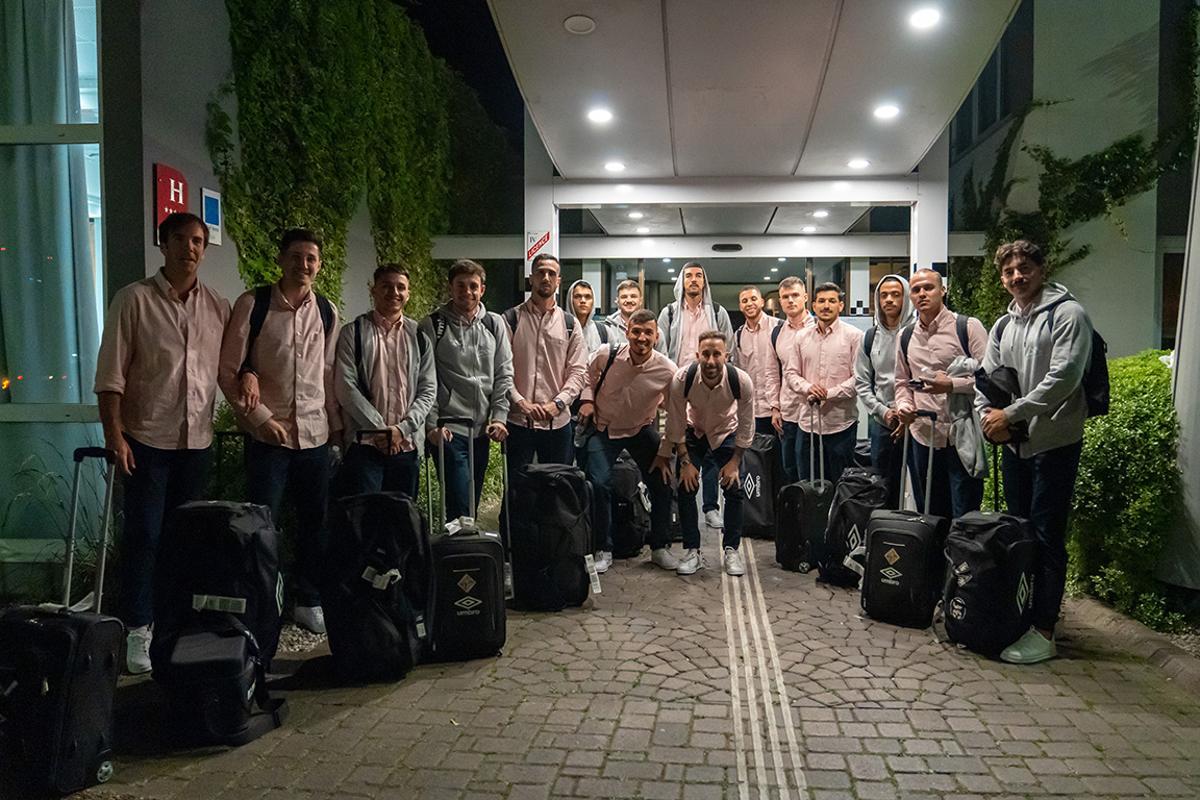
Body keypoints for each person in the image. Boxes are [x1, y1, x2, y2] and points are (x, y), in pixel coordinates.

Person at [95, 212, 230, 673]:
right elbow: (110, 377)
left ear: (204, 249)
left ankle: (175, 622)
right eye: (180, 239)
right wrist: (115, 436)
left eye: (197, 241)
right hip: (146, 440)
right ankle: (137, 626)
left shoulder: (218, 306)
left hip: (197, 442)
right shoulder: (132, 300)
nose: (189, 248)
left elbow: (229, 369)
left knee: (185, 539)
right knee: (144, 536)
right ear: (163, 244)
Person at [976, 240, 1093, 665]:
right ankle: (1019, 611)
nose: (1016, 277)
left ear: (1042, 269)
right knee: (1020, 532)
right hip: (1015, 444)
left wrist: (1011, 413)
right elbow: (986, 381)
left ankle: (1044, 628)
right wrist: (991, 417)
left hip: (1054, 443)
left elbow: (1064, 378)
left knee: (1047, 536)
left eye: (1024, 268)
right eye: (1009, 272)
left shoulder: (1068, 315)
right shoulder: (1004, 325)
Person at [218, 228, 339, 636]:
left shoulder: (327, 310)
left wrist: (335, 427)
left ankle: (308, 599)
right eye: (296, 256)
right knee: (261, 525)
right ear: (281, 259)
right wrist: (260, 420)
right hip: (270, 439)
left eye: (311, 259)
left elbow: (327, 373)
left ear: (319, 265)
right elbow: (229, 370)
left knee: (314, 523)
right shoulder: (253, 305)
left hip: (315, 437)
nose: (303, 265)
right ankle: (262, 602)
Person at [578, 309, 678, 574]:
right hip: (604, 429)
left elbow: (676, 413)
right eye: (636, 331)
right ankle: (603, 549)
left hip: (640, 430)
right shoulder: (605, 354)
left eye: (648, 333)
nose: (641, 338)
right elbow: (585, 375)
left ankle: (660, 547)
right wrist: (587, 400)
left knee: (663, 480)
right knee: (598, 484)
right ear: (627, 332)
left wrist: (665, 451)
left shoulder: (667, 370)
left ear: (656, 336)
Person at [652, 331, 755, 577]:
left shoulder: (741, 381)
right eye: (705, 355)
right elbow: (675, 422)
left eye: (716, 354)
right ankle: (692, 550)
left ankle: (731, 549)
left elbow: (746, 424)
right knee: (686, 487)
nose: (710, 361)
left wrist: (734, 461)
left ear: (726, 356)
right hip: (694, 432)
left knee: (734, 488)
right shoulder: (682, 378)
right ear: (697, 356)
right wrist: (685, 461)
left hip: (726, 432)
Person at [419, 259, 513, 521]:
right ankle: (459, 553)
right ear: (451, 288)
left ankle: (464, 552)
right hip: (449, 428)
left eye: (473, 286)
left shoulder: (494, 324)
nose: (467, 292)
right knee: (459, 500)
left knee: (471, 499)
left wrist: (499, 417)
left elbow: (504, 373)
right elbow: (427, 379)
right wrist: (431, 426)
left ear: (482, 289)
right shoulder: (433, 325)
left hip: (482, 430)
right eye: (461, 285)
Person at [333, 262, 436, 499]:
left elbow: (428, 389)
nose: (394, 293)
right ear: (374, 290)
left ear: (408, 293)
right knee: (364, 521)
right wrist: (382, 430)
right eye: (386, 286)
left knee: (401, 523)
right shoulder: (353, 333)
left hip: (406, 446)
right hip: (364, 445)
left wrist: (402, 429)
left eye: (401, 287)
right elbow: (345, 386)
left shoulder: (420, 337)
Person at [893, 268, 988, 518]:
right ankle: (934, 558)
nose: (922, 294)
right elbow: (902, 382)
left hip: (961, 434)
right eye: (916, 290)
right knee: (930, 514)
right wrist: (903, 405)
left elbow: (990, 379)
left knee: (965, 512)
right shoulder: (905, 335)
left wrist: (952, 385)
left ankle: (961, 558)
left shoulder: (967, 327)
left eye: (928, 288)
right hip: (923, 435)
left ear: (943, 290)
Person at [656, 262, 734, 529]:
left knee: (711, 446)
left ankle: (711, 506)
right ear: (682, 281)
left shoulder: (717, 312)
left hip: (710, 384)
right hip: (679, 387)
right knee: (680, 444)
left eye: (698, 276)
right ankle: (680, 510)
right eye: (688, 275)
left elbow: (728, 349)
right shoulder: (668, 312)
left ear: (704, 282)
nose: (693, 280)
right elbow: (661, 351)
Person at [503, 253, 587, 471]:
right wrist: (521, 402)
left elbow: (578, 372)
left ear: (559, 281)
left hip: (557, 423)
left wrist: (557, 403)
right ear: (531, 278)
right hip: (518, 421)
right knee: (515, 492)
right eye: (541, 272)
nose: (546, 277)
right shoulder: (511, 319)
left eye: (552, 273)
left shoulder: (570, 324)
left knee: (558, 492)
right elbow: (502, 369)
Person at [784, 282, 862, 485]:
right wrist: (809, 388)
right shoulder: (801, 337)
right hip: (807, 424)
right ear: (814, 305)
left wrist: (829, 393)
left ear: (841, 305)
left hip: (841, 426)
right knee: (808, 487)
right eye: (821, 301)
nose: (826, 305)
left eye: (832, 301)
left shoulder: (854, 336)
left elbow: (859, 379)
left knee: (840, 487)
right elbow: (791, 374)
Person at [854, 275, 912, 507]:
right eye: (884, 295)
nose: (889, 300)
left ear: (905, 298)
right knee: (883, 487)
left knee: (918, 486)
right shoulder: (870, 337)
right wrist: (884, 412)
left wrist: (908, 411)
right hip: (883, 423)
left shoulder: (917, 333)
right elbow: (862, 382)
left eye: (895, 294)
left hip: (916, 422)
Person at [773, 276, 815, 484]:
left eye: (795, 295)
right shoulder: (778, 332)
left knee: (809, 471)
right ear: (780, 301)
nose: (790, 300)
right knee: (789, 469)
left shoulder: (818, 329)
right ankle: (793, 515)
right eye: (785, 297)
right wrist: (775, 407)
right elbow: (775, 372)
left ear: (805, 297)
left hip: (814, 412)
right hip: (788, 411)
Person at [732, 286, 783, 437]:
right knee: (756, 457)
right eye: (745, 301)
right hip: (753, 410)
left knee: (780, 458)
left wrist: (777, 407)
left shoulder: (779, 327)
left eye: (753, 299)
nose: (749, 304)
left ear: (761, 302)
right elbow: (740, 372)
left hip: (780, 409)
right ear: (740, 306)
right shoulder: (738, 335)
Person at [567, 278, 612, 354]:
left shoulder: (604, 331)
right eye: (578, 296)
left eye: (587, 297)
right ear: (570, 300)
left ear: (593, 301)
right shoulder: (560, 329)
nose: (583, 301)